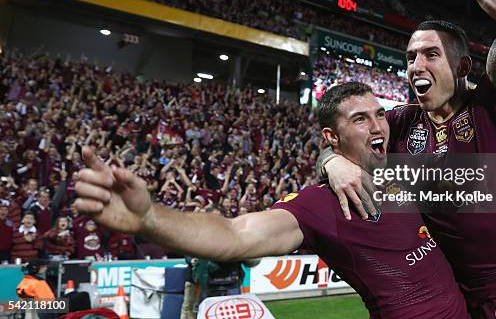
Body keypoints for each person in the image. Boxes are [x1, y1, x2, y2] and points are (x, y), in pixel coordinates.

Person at [75, 82, 469, 318]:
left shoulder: (405, 173)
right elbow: (236, 234)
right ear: (332, 137)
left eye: (379, 114)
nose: (378, 125)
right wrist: (149, 218)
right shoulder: (321, 204)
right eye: (360, 119)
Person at [316, 0, 496, 319]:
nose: (416, 65)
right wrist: (330, 162)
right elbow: (341, 140)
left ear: (463, 67)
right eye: (410, 57)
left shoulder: (494, 107)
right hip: (439, 283)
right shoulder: (401, 121)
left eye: (431, 54)